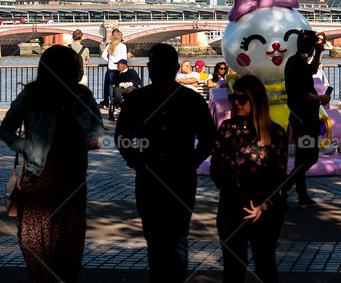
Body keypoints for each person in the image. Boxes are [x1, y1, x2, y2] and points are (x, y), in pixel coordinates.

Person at [0, 45, 104, 283]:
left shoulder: (74, 96)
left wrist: (27, 147)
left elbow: (6, 131)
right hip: (52, 176)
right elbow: (97, 133)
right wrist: (28, 147)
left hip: (60, 177)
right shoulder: (42, 95)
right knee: (53, 238)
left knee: (49, 239)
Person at [115, 43, 215, 282]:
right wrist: (137, 162)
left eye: (157, 65)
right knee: (163, 238)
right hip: (165, 176)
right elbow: (123, 137)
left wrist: (136, 161)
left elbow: (122, 138)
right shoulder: (189, 100)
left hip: (164, 176)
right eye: (154, 65)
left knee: (169, 238)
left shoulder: (139, 99)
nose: (155, 70)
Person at [210, 75, 288, 283]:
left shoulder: (275, 133)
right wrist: (225, 182)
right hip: (230, 204)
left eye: (242, 99)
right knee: (233, 267)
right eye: (233, 98)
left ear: (256, 101)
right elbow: (216, 164)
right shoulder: (226, 128)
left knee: (265, 265)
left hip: (263, 207)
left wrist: (265, 204)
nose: (235, 103)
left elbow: (280, 177)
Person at [284, 30, 330, 208]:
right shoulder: (300, 64)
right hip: (306, 118)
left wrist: (318, 54)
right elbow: (304, 95)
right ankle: (284, 189)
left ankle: (301, 194)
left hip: (297, 116)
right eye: (315, 45)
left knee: (302, 158)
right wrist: (321, 99)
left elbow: (312, 70)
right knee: (310, 157)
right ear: (311, 46)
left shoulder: (295, 61)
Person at [100, 29, 127, 107]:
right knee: (118, 86)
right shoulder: (123, 46)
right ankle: (118, 103)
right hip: (120, 69)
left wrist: (109, 60)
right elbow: (124, 58)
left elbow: (103, 55)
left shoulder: (110, 45)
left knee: (111, 86)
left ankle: (111, 104)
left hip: (111, 68)